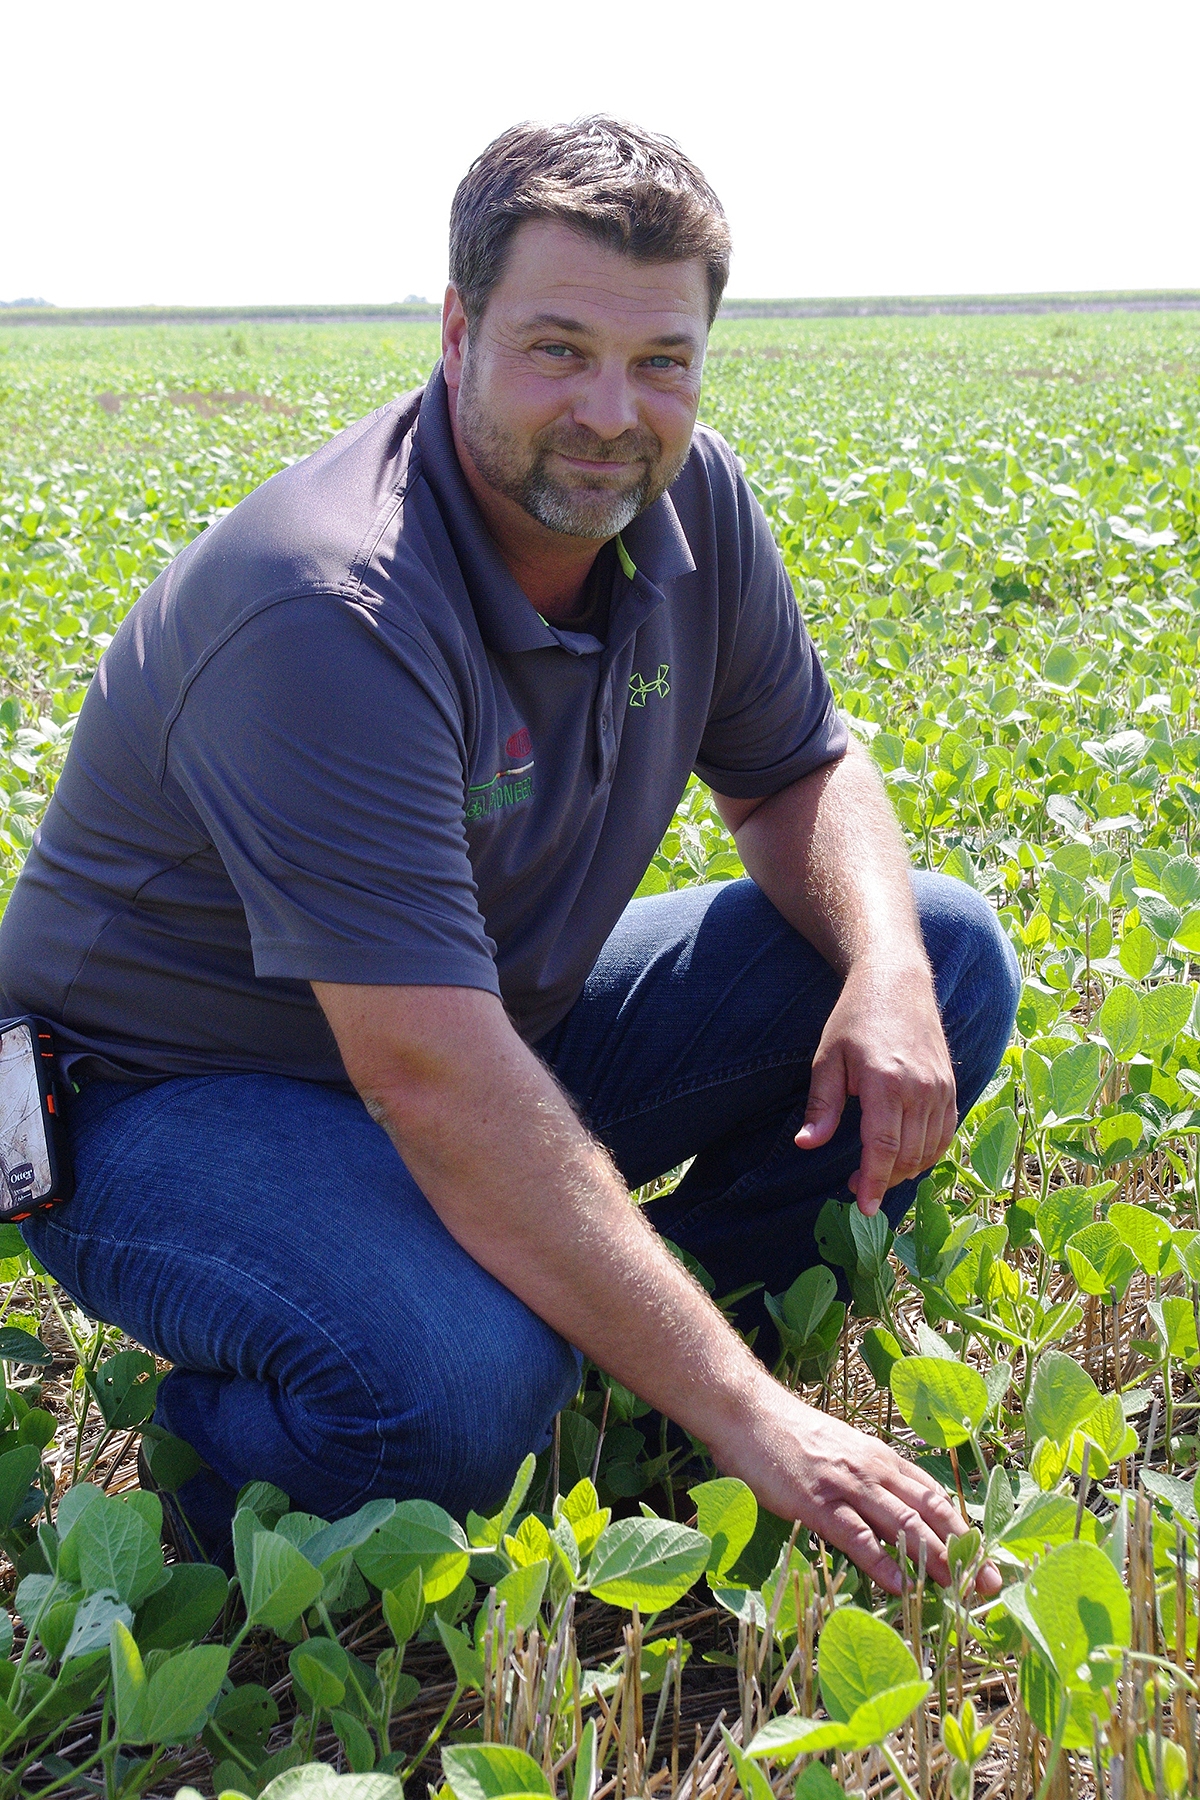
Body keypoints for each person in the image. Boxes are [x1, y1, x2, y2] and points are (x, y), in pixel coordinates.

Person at [0, 118, 1019, 1592]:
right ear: (458, 331)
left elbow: (802, 767)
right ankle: (219, 1481)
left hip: (480, 1026)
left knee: (944, 952)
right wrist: (764, 1420)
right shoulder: (329, 609)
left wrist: (885, 970)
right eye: (557, 348)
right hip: (158, 1100)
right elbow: (429, 1078)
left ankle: (641, 1377)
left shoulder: (691, 503)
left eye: (661, 359)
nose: (613, 411)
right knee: (461, 1392)